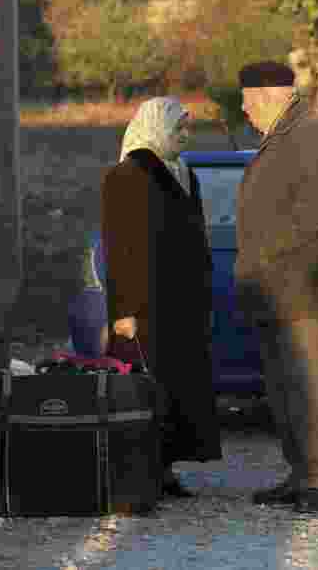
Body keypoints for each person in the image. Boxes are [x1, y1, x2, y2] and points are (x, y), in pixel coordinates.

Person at [233, 60, 318, 513]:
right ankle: (300, 473)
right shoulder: (284, 133)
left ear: (266, 96)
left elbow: (314, 211)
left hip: (298, 284)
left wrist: (261, 256)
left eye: (246, 101)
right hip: (272, 286)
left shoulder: (310, 133)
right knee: (282, 387)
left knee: (309, 382)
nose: (243, 110)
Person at [101, 96, 223, 498]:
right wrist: (122, 311)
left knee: (178, 387)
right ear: (157, 129)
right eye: (178, 130)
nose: (185, 137)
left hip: (181, 303)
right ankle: (143, 472)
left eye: (188, 129)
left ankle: (165, 468)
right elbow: (120, 250)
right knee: (148, 388)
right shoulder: (128, 174)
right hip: (145, 307)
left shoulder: (183, 173)